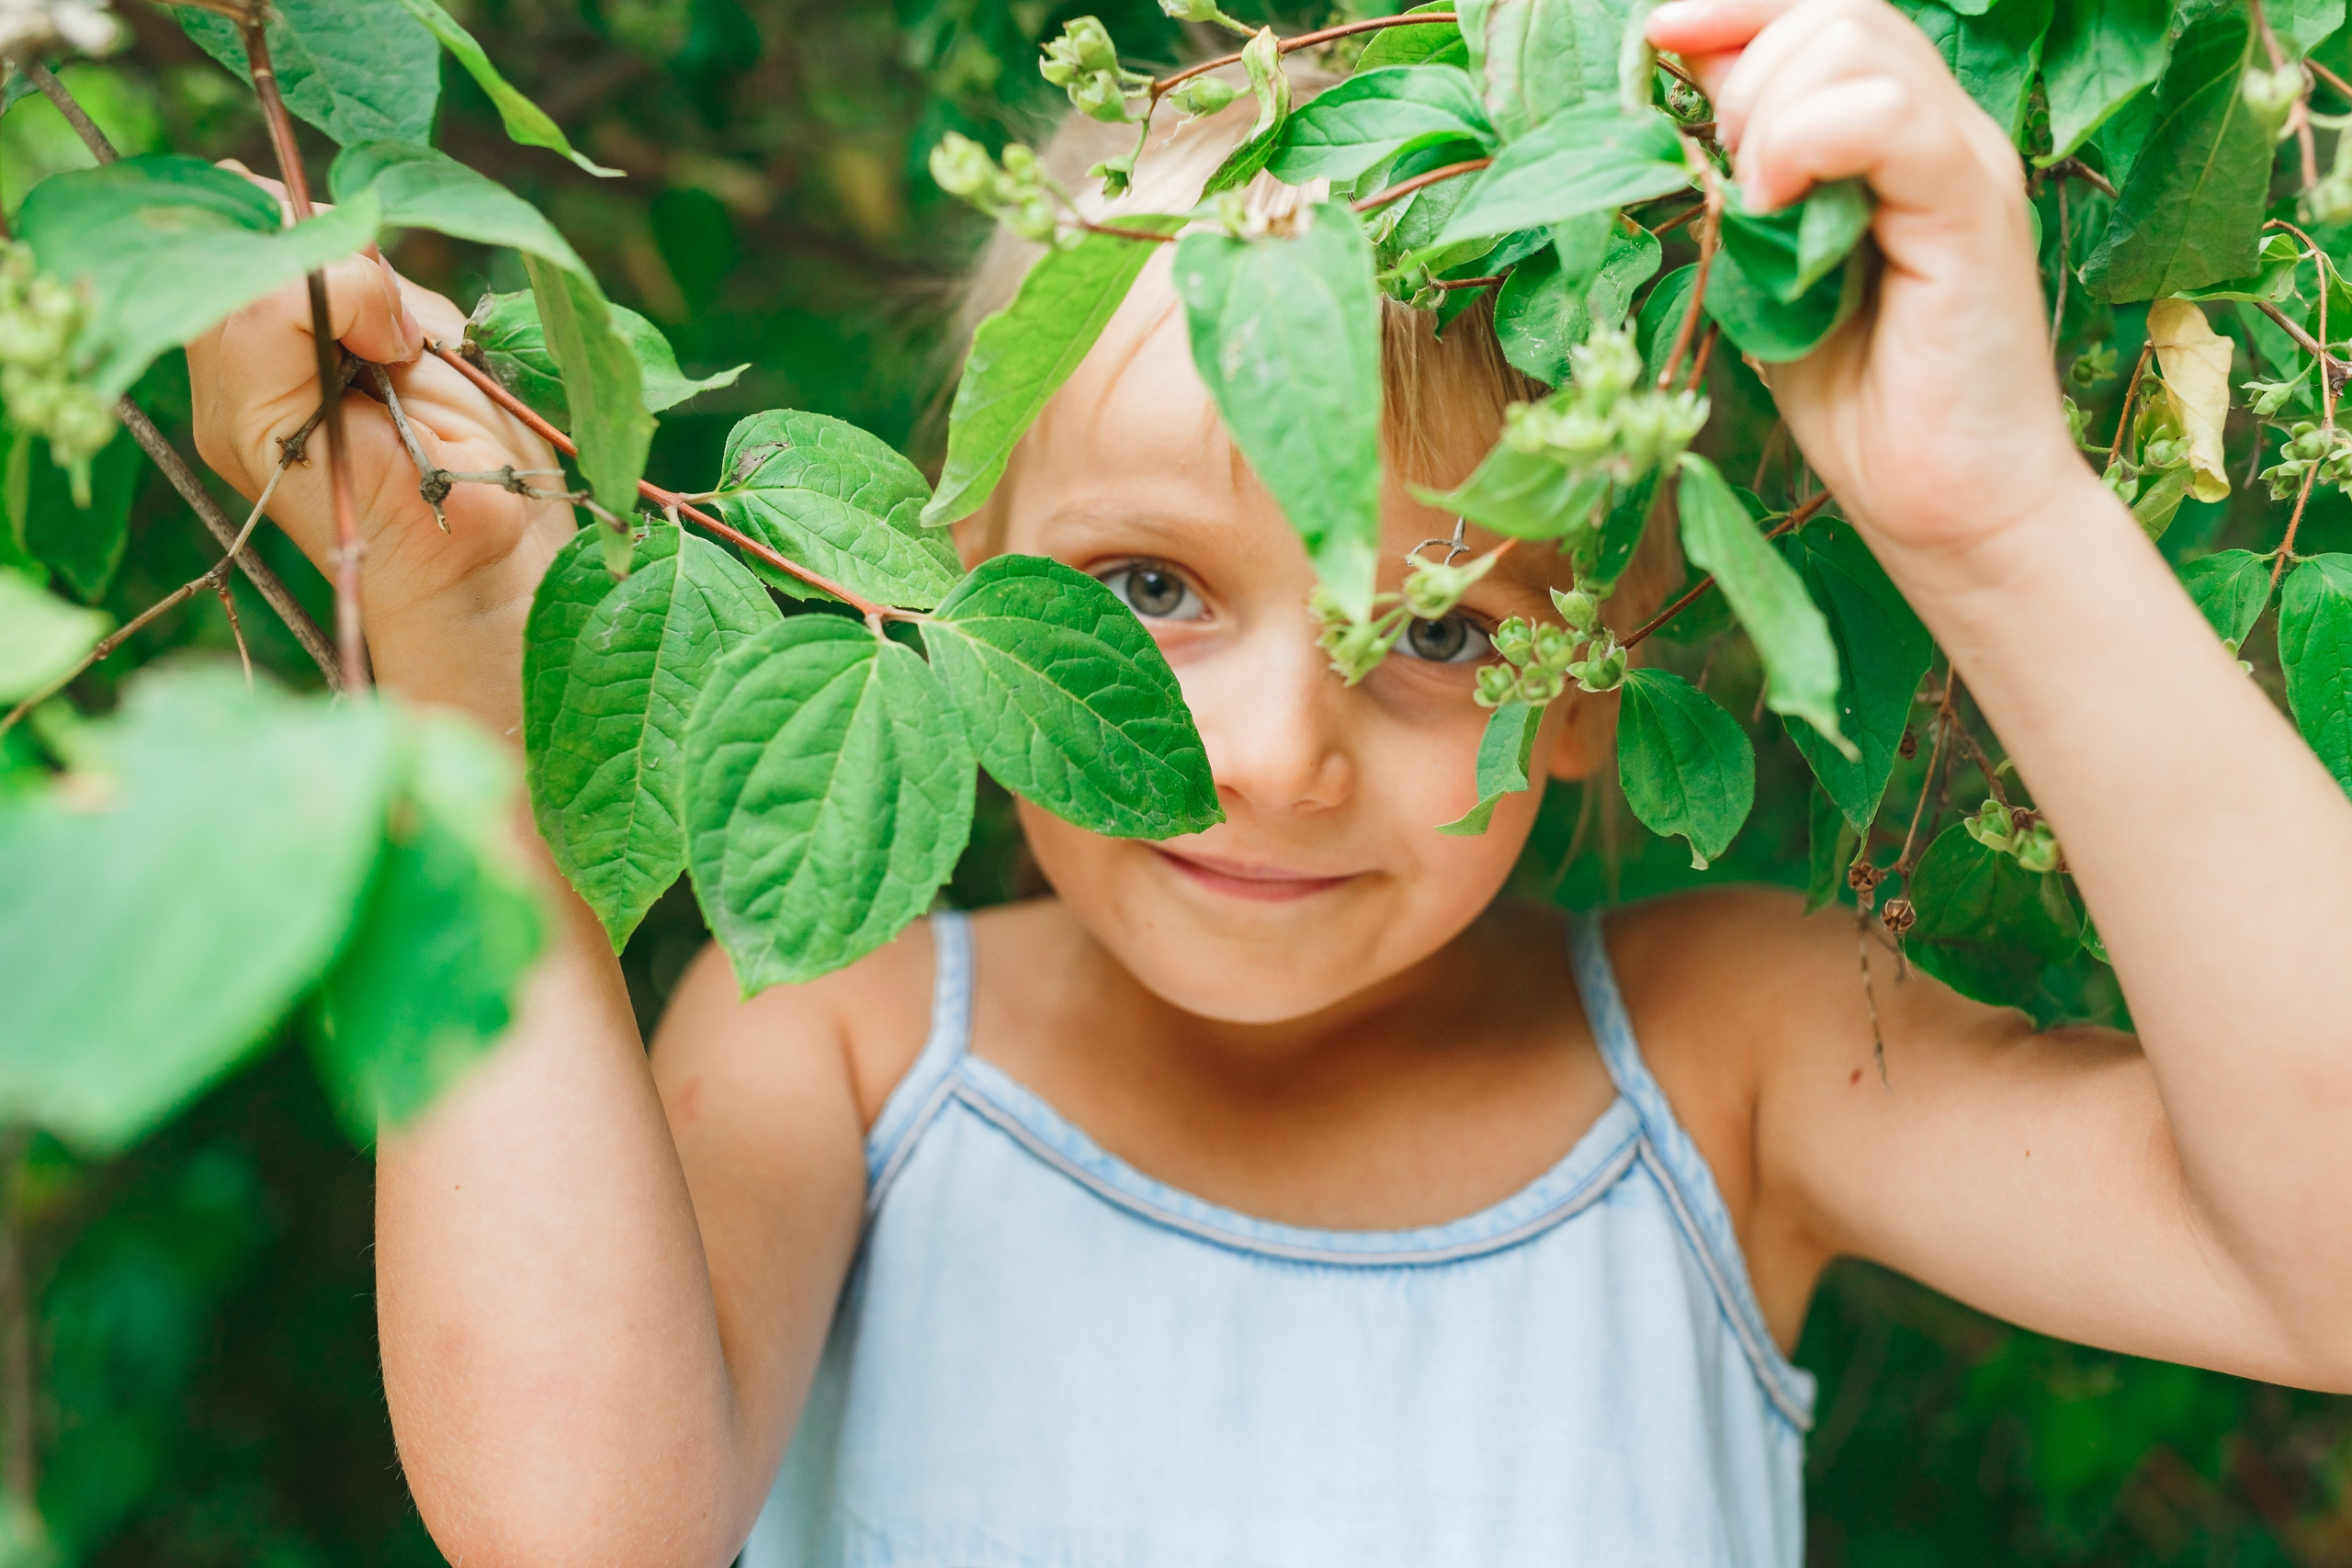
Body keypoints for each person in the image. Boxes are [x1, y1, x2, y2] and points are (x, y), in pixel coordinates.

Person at [188, 0, 2352, 1562]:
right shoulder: (838, 1037)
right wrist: (472, 717)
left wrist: (1990, 513)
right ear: (946, 571)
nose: (1275, 754)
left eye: (1436, 630)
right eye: (1143, 584)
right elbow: (575, 1528)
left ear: (1596, 666)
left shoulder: (1719, 1057)